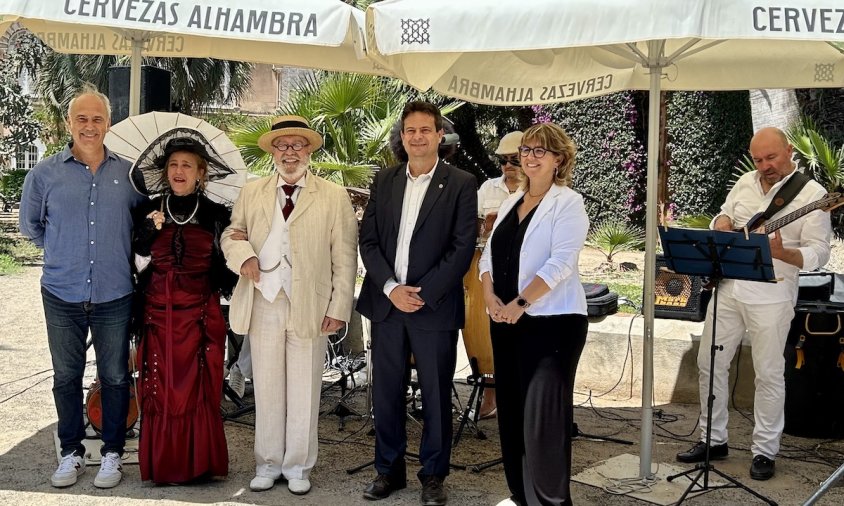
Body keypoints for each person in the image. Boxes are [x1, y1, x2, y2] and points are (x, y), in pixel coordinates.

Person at [676, 127, 832, 481]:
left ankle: (764, 451)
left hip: (773, 295)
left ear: (789, 150)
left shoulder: (813, 194)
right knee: (709, 363)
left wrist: (783, 252)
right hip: (729, 287)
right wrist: (724, 222)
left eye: (771, 157)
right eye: (759, 159)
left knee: (768, 374)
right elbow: (721, 216)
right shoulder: (745, 182)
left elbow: (819, 253)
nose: (765, 166)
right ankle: (712, 439)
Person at [221, 115, 358, 495]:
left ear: (309, 150)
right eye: (282, 146)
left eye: (297, 145)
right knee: (265, 387)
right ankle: (267, 462)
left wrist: (339, 307)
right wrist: (243, 255)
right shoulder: (253, 192)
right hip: (264, 300)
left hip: (310, 304)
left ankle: (298, 466)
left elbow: (345, 258)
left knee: (305, 387)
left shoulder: (333, 195)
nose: (289, 152)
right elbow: (233, 233)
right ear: (272, 152)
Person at [18, 85, 145, 489]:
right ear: (69, 123)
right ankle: (71, 452)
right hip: (61, 291)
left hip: (115, 293)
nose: (89, 126)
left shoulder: (129, 174)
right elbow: (30, 226)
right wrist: (61, 251)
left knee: (114, 377)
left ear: (108, 124)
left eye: (97, 119)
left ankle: (111, 452)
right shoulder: (44, 174)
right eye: (82, 119)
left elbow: (142, 230)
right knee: (66, 376)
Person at [357, 101, 477, 505]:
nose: (418, 137)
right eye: (410, 130)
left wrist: (421, 293)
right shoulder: (384, 180)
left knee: (437, 395)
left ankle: (433, 476)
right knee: (386, 392)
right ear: (402, 136)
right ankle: (388, 471)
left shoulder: (461, 183)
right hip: (388, 305)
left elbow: (462, 249)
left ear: (439, 136)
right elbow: (368, 241)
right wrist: (391, 287)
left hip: (434, 308)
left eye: (426, 129)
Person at [479, 122, 589, 506]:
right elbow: (490, 255)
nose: (529, 157)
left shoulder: (568, 203)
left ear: (559, 159)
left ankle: (551, 501)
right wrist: (490, 296)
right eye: (525, 150)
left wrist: (520, 304)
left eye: (539, 150)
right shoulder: (511, 201)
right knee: (510, 412)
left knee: (543, 420)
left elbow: (561, 263)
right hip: (505, 322)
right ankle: (521, 495)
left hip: (552, 325)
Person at [130, 129, 238, 484]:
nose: (179, 171)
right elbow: (136, 264)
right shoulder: (147, 210)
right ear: (166, 172)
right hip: (157, 313)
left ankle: (199, 463)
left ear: (201, 172)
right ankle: (165, 464)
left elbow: (225, 269)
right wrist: (145, 236)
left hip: (200, 317)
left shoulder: (217, 214)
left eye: (187, 165)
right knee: (161, 386)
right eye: (173, 165)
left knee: (197, 387)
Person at [472, 130, 523, 420]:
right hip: (489, 269)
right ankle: (491, 394)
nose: (508, 166)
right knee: (488, 332)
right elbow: (473, 230)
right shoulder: (488, 189)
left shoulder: (536, 190)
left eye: (514, 159)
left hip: (522, 274)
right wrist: (486, 227)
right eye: (503, 160)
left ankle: (516, 399)